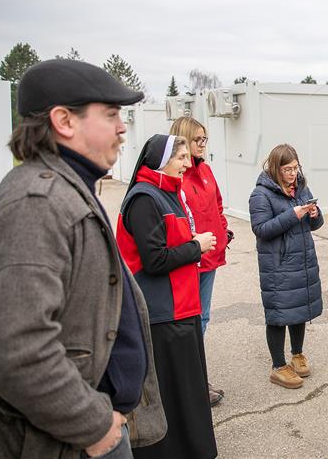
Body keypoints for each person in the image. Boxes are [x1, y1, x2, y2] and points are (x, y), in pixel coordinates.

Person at [0, 59, 166, 458]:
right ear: (64, 121)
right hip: (72, 439)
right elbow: (17, 349)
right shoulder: (36, 204)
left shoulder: (69, 189)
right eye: (110, 114)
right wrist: (92, 423)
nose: (123, 127)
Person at [116, 134, 218, 459]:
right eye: (181, 158)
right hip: (162, 315)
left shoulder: (166, 193)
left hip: (181, 309)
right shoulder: (145, 199)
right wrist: (196, 246)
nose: (188, 164)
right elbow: (155, 260)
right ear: (161, 161)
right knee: (172, 395)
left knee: (186, 392)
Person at [249, 144, 323, 389]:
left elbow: (314, 226)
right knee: (279, 314)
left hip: (301, 261)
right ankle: (278, 366)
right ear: (275, 168)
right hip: (278, 264)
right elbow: (261, 229)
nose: (293, 173)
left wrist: (315, 214)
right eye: (287, 169)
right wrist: (294, 214)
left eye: (295, 168)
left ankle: (298, 353)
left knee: (299, 308)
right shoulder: (261, 194)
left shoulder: (300, 188)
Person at [169, 116, 232, 406]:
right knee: (188, 322)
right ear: (182, 139)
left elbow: (216, 203)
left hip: (210, 257)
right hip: (189, 260)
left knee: (202, 319)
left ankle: (196, 378)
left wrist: (222, 230)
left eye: (205, 139)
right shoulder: (177, 176)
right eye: (198, 140)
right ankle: (190, 383)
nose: (203, 145)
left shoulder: (205, 170)